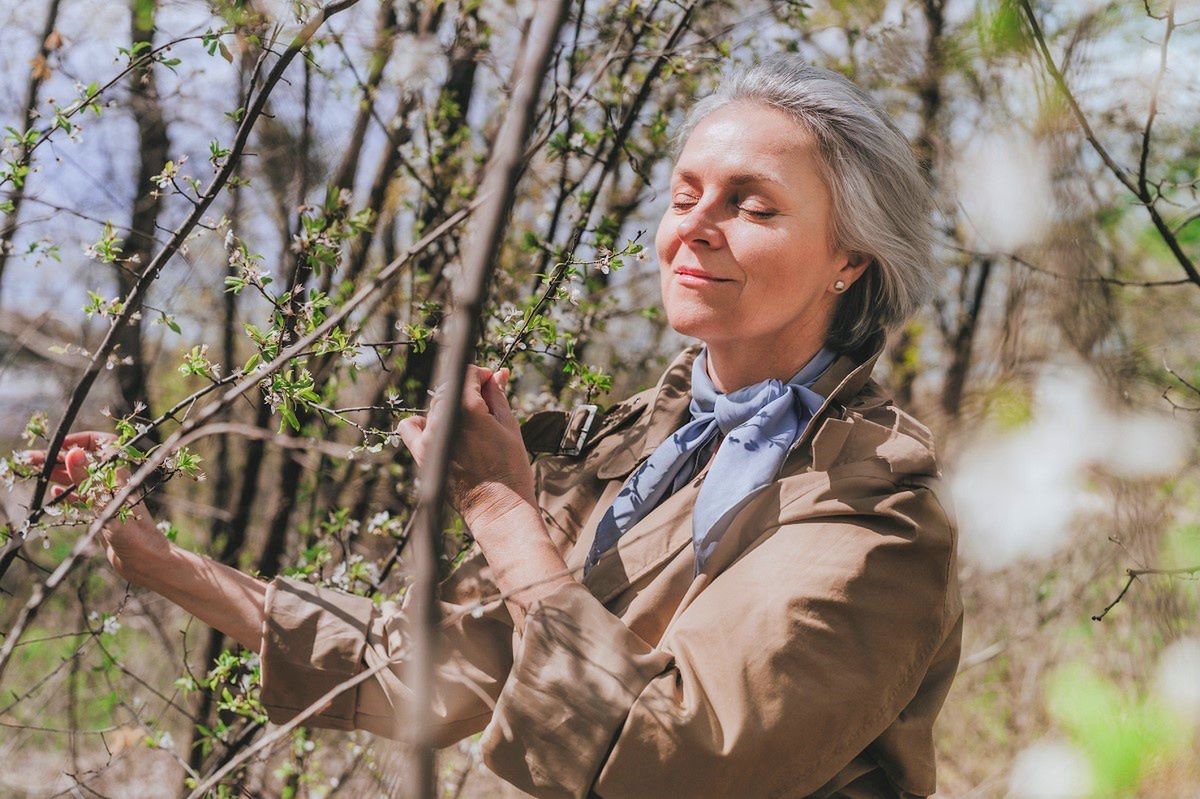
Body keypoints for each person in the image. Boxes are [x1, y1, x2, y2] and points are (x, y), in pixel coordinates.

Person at [32, 56, 961, 798]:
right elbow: (441, 672)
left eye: (752, 206)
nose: (697, 229)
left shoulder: (876, 513)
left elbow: (679, 761)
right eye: (684, 196)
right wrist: (157, 558)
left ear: (849, 258)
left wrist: (502, 511)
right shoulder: (638, 449)